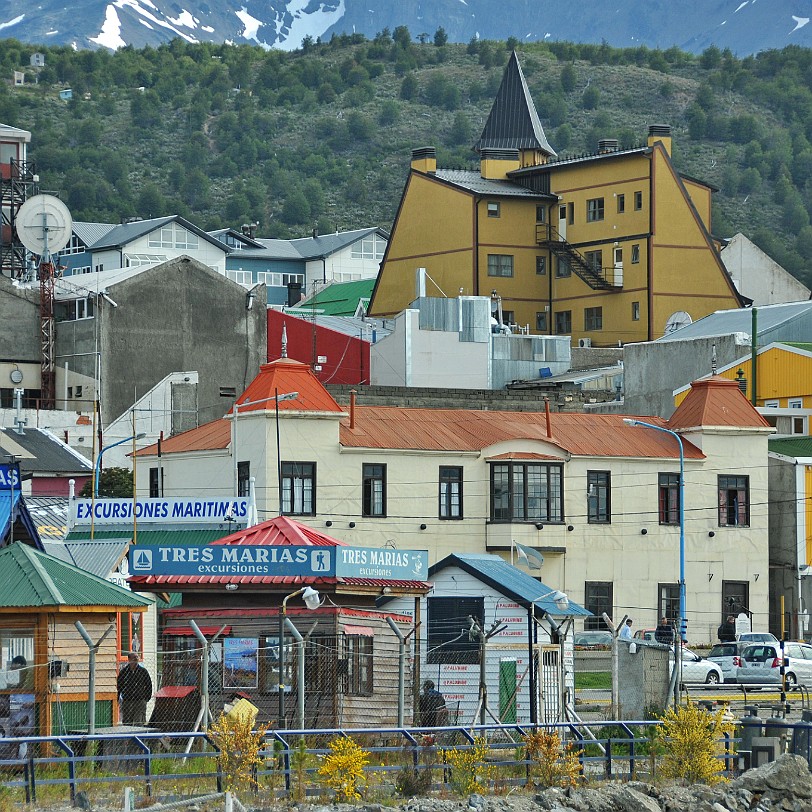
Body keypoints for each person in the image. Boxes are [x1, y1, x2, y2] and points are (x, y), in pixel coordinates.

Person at [117, 652, 153, 726]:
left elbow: (149, 685)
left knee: (139, 722)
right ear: (129, 659)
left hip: (140, 701)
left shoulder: (143, 671)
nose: (136, 659)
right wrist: (118, 698)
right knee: (127, 722)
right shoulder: (124, 672)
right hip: (127, 700)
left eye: (137, 657)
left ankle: (139, 736)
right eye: (134, 657)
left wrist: (146, 699)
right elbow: (119, 686)